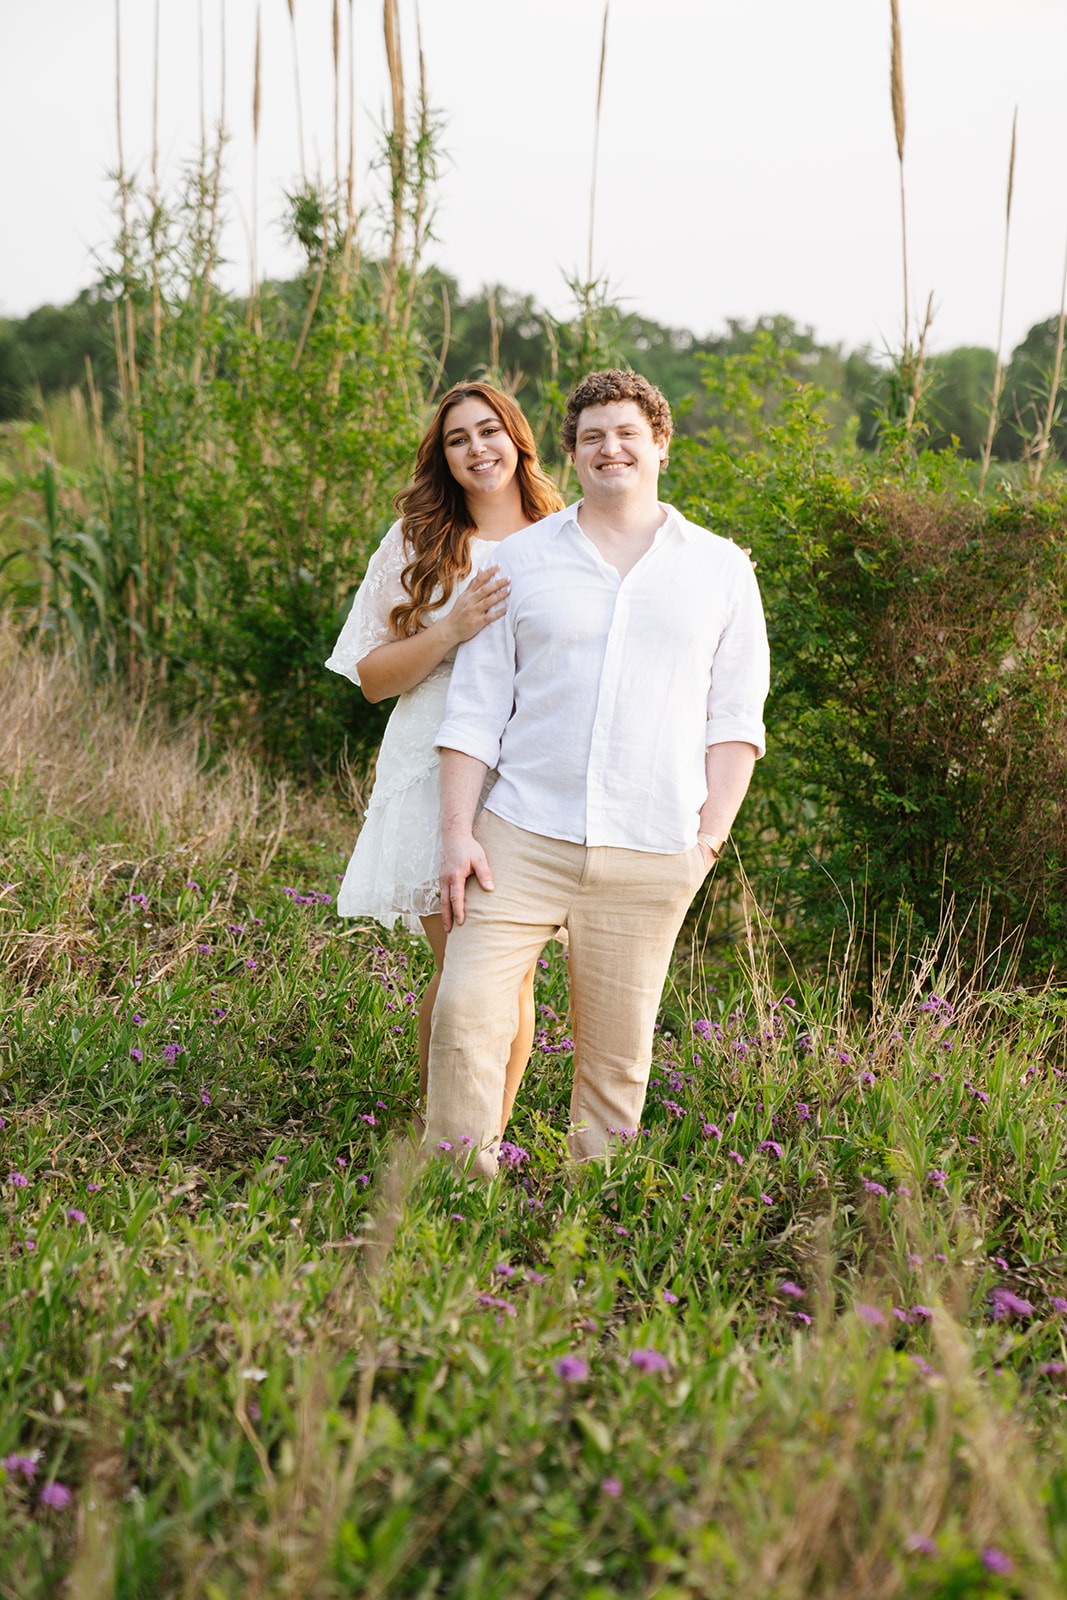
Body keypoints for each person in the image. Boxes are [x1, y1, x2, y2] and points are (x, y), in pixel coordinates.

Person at [425, 369, 770, 1178]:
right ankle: (454, 1194)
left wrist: (707, 843)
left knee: (617, 1057)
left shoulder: (720, 569)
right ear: (573, 455)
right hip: (518, 837)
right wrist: (456, 834)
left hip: (652, 847)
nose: (609, 448)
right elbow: (473, 711)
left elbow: (734, 720)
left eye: (625, 434)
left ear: (660, 445)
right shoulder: (520, 561)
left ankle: (593, 1206)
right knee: (464, 1011)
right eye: (591, 438)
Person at [325, 382, 563, 1129]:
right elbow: (371, 678)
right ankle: (443, 1137)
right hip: (431, 769)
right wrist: (450, 628)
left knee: (513, 974)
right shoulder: (417, 540)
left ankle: (484, 1141)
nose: (476, 449)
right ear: (444, 456)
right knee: (464, 967)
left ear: (517, 439)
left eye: (489, 431)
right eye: (458, 439)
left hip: (528, 771)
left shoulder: (563, 535)